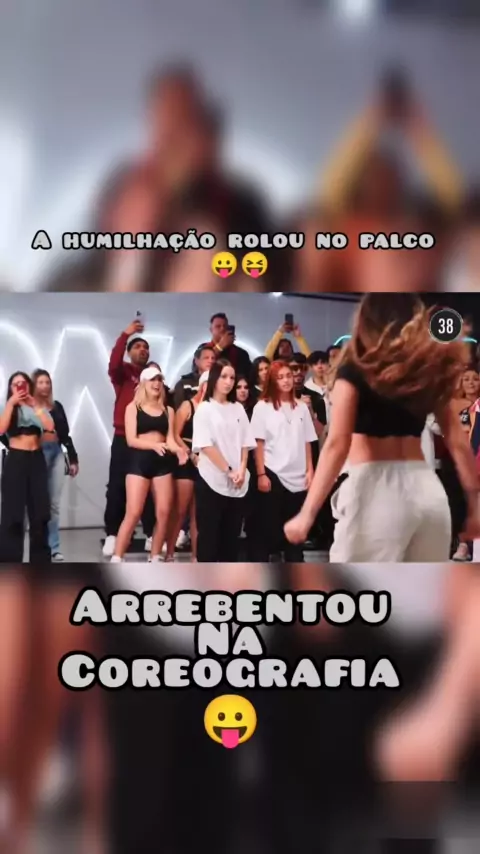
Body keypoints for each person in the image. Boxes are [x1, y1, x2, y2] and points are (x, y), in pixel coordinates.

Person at [285, 294, 480, 562]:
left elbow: (337, 444)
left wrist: (307, 514)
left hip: (375, 492)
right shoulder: (428, 370)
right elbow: (457, 440)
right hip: (429, 493)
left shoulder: (355, 369)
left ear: (365, 321)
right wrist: (475, 505)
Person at [111, 366, 187, 563]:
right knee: (134, 512)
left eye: (159, 380)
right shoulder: (133, 408)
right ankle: (117, 557)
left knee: (164, 512)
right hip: (139, 462)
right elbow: (131, 440)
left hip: (162, 462)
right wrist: (153, 445)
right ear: (144, 383)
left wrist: (179, 450)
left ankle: (155, 556)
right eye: (153, 379)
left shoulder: (168, 410)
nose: (157, 383)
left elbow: (170, 439)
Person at [251, 361, 316, 561]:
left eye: (288, 376)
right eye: (280, 377)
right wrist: (261, 474)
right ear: (272, 381)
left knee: (295, 532)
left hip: (299, 475)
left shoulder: (302, 408)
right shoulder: (262, 407)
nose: (286, 380)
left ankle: (295, 569)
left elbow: (307, 441)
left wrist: (310, 470)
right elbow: (258, 443)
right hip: (273, 472)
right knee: (268, 529)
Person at [192, 359, 256, 561]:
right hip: (211, 480)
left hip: (237, 482)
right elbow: (206, 445)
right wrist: (229, 470)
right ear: (214, 378)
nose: (229, 382)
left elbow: (246, 442)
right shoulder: (205, 409)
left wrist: (242, 469)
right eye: (224, 377)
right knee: (209, 538)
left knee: (231, 538)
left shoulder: (238, 408)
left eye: (232, 377)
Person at [103, 318, 154, 557]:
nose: (143, 350)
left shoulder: (152, 378)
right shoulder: (123, 373)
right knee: (116, 487)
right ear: (129, 352)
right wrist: (126, 334)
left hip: (146, 439)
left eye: (146, 347)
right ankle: (113, 535)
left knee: (149, 487)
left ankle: (151, 534)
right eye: (138, 346)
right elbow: (113, 362)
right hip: (124, 438)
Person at [0, 373, 54, 563]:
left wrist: (35, 405)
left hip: (37, 459)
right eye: (15, 384)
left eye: (23, 383)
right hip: (16, 460)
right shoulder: (7, 407)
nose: (20, 387)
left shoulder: (37, 407)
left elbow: (49, 426)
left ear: (29, 386)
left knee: (40, 513)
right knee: (13, 514)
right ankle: (9, 564)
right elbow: (1, 429)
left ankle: (40, 566)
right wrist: (11, 403)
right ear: (11, 388)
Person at [32, 369, 79, 562]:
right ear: (34, 385)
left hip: (57, 452)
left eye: (47, 382)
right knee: (37, 503)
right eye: (41, 382)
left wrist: (73, 458)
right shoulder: (30, 407)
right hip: (38, 453)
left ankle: (54, 547)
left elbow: (65, 434)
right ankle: (38, 546)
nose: (45, 386)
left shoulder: (56, 406)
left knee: (54, 504)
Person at [164, 371, 209, 562]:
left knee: (198, 512)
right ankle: (169, 553)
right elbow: (175, 434)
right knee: (180, 510)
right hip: (187, 459)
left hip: (205, 460)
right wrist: (190, 454)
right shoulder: (187, 405)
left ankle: (196, 556)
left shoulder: (212, 409)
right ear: (202, 385)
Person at [200, 313, 251, 379]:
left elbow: (247, 376)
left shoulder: (241, 353)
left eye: (225, 326)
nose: (222, 329)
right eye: (218, 326)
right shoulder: (203, 348)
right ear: (211, 330)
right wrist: (220, 347)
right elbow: (198, 369)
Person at [173, 344, 216, 409]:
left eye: (213, 358)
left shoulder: (219, 382)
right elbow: (179, 409)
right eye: (206, 358)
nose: (211, 361)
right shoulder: (183, 383)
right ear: (197, 361)